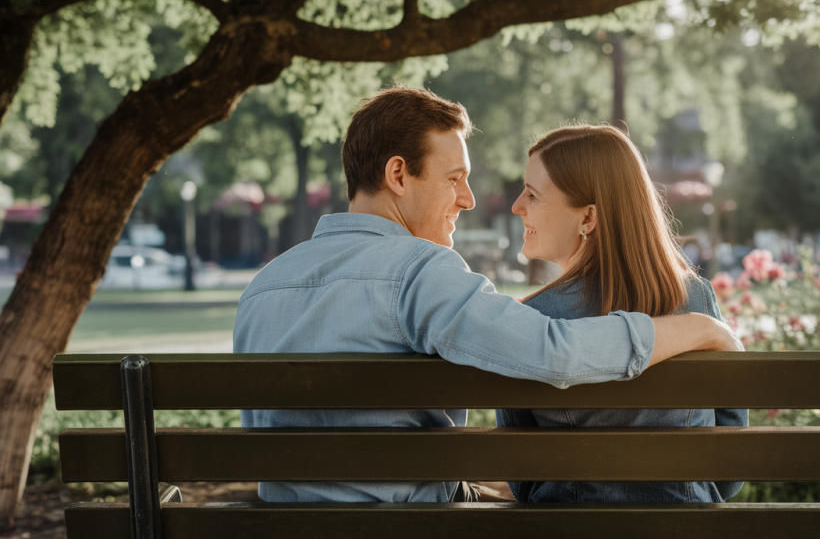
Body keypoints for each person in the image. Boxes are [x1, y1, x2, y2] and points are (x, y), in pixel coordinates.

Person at [233, 86, 743, 504]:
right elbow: (553, 353)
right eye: (455, 178)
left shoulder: (263, 287)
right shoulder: (417, 271)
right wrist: (699, 327)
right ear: (397, 175)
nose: (469, 199)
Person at [498, 123, 748, 503]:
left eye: (532, 194)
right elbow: (728, 475)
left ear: (588, 218)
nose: (516, 205)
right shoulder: (696, 298)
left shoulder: (533, 318)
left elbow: (522, 480)